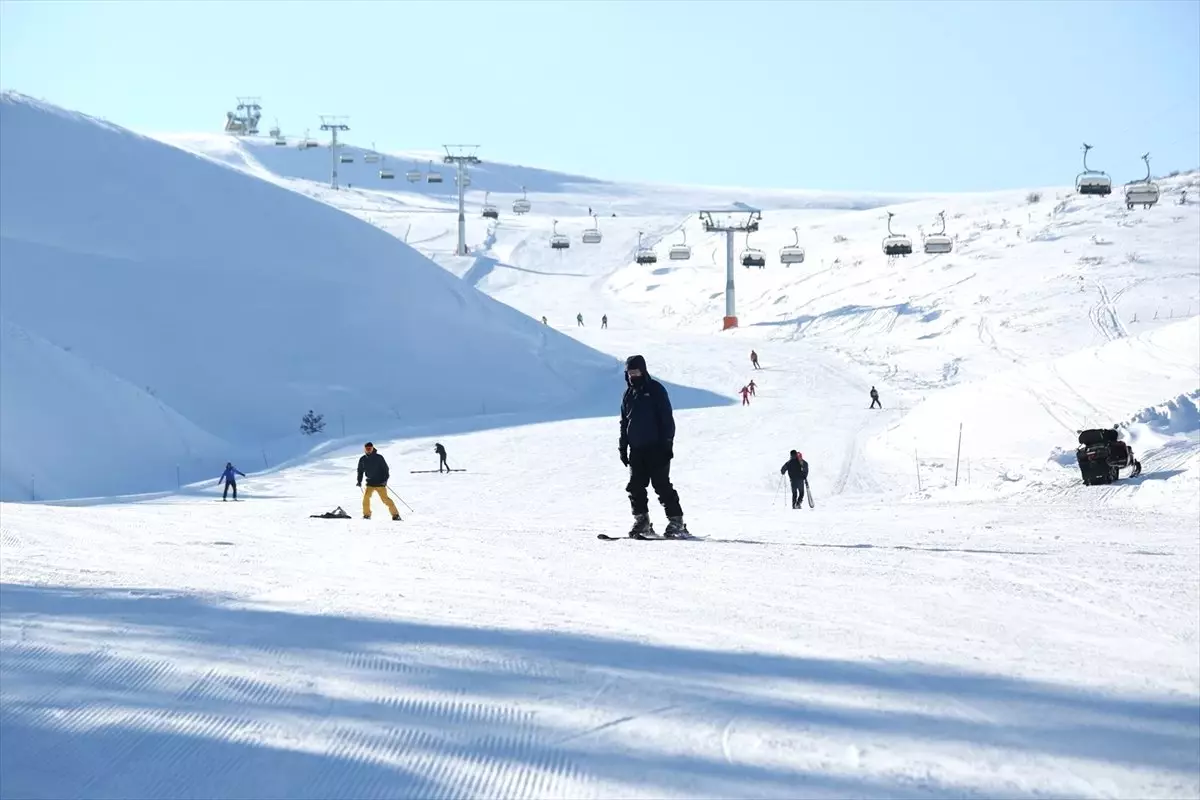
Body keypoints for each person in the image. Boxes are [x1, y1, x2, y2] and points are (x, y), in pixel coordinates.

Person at [619, 354, 689, 538]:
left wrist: (667, 444)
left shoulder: (656, 390)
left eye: (636, 371)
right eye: (629, 372)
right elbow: (624, 422)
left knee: (661, 485)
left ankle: (677, 522)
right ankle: (642, 521)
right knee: (635, 486)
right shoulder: (628, 395)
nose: (633, 375)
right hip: (636, 449)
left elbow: (667, 418)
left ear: (643, 370)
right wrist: (623, 446)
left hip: (657, 447)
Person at [357, 442, 401, 520]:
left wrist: (385, 480)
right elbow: (360, 471)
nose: (368, 450)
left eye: (370, 448)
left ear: (373, 448)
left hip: (380, 483)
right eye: (367, 449)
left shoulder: (379, 458)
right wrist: (359, 481)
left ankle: (395, 515)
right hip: (370, 483)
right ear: (364, 449)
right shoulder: (363, 459)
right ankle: (367, 515)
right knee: (366, 498)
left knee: (385, 499)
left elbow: (385, 469)